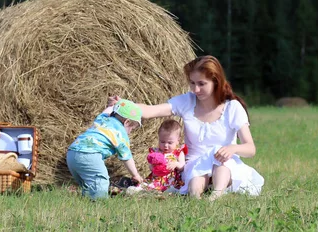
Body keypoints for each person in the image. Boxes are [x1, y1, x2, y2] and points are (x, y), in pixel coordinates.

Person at [110, 55, 264, 200]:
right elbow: (151, 111)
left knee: (221, 167)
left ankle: (216, 197)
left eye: (201, 84)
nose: (195, 90)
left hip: (224, 163)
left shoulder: (232, 108)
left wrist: (232, 149)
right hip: (195, 164)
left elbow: (250, 149)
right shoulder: (187, 101)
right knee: (195, 183)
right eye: (192, 83)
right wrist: (123, 105)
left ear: (216, 81)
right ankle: (197, 198)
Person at [66, 98, 144, 199]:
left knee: (89, 186)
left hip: (72, 153)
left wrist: (111, 106)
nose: (130, 132)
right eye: (132, 128)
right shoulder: (120, 132)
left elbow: (105, 111)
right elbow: (126, 157)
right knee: (101, 182)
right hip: (89, 155)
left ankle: (86, 203)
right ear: (127, 122)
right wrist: (135, 175)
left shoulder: (102, 119)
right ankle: (99, 204)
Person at [141, 119, 187, 193]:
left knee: (173, 189)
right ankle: (143, 189)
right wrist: (153, 168)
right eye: (162, 141)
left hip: (171, 179)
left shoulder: (178, 152)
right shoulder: (156, 152)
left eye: (170, 143)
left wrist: (176, 164)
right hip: (157, 177)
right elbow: (150, 165)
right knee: (147, 186)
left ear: (178, 140)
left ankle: (168, 190)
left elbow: (182, 166)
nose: (165, 145)